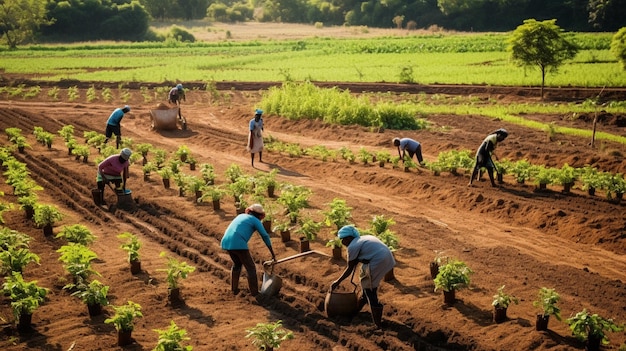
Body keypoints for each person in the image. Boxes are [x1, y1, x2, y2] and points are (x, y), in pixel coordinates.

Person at [330, 225, 395, 329]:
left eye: (342, 240)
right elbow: (364, 256)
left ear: (348, 238)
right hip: (387, 258)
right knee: (367, 288)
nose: (342, 243)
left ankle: (378, 325)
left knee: (370, 290)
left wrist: (337, 282)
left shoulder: (352, 246)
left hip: (378, 261)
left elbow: (350, 268)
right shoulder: (362, 239)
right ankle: (354, 312)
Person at [221, 204, 276, 297]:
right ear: (259, 215)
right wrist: (272, 253)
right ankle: (255, 293)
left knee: (237, 265)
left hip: (226, 241)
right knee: (251, 268)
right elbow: (265, 235)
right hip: (238, 243)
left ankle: (234, 289)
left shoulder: (241, 216)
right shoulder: (255, 220)